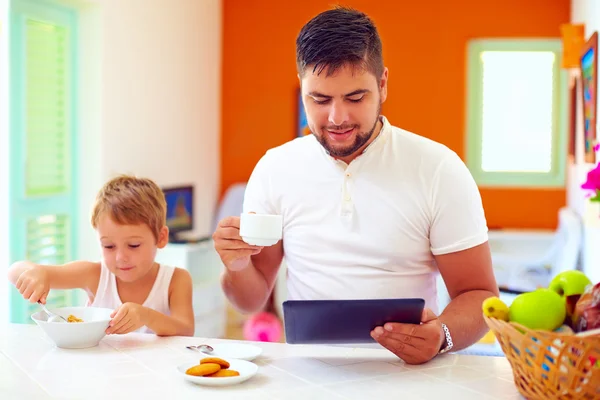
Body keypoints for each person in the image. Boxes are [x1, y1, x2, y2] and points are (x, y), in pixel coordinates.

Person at [213, 6, 499, 364]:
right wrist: (236, 264)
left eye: (355, 97)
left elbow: (480, 294)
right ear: (302, 88)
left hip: (409, 372)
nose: (337, 118)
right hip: (307, 372)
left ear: (382, 85)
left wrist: (441, 335)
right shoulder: (275, 168)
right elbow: (250, 300)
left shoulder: (438, 168)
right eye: (319, 99)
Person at [7, 175, 195, 336]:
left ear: (161, 238)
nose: (121, 257)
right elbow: (14, 271)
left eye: (133, 245)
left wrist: (146, 316)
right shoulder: (94, 275)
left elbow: (186, 330)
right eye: (109, 246)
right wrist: (35, 273)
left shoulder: (176, 280)